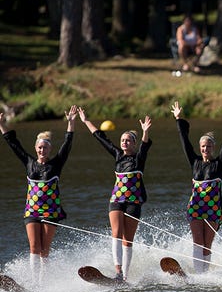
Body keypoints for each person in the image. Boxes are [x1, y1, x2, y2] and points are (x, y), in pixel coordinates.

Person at [1, 105, 77, 280]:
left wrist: (71, 124)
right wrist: (2, 125)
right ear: (36, 148)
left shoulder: (56, 164)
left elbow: (67, 144)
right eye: (40, 148)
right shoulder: (29, 163)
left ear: (49, 149)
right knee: (34, 247)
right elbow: (14, 144)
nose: (42, 150)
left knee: (44, 249)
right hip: (32, 211)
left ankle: (44, 280)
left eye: (45, 148)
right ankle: (35, 283)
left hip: (51, 211)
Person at [80, 109, 152, 281]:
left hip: (134, 202)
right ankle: (118, 272)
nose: (124, 143)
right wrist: (85, 120)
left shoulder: (138, 159)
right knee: (116, 234)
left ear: (133, 144)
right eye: (122, 140)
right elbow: (100, 137)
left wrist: (145, 131)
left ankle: (125, 276)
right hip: (116, 200)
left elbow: (145, 146)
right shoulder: (118, 155)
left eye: (128, 141)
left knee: (128, 240)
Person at [173, 101, 222, 273]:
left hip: (213, 208)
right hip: (195, 207)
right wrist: (178, 119)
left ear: (213, 148)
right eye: (203, 146)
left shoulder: (219, 164)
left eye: (209, 146)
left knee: (207, 244)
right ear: (200, 148)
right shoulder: (194, 162)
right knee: (197, 241)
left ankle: (204, 274)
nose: (205, 149)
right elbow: (184, 142)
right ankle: (199, 274)